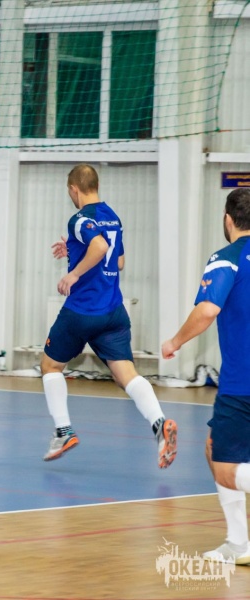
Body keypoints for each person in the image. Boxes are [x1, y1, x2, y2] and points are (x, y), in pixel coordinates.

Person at [41, 164, 177, 468]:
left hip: (81, 311)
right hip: (113, 312)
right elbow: (119, 260)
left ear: (74, 189)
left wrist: (74, 273)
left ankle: (63, 431)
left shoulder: (80, 218)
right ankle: (159, 424)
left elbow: (100, 247)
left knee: (50, 366)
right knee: (126, 374)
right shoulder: (112, 216)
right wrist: (74, 250)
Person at [162, 187, 250, 564]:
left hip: (242, 384)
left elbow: (208, 309)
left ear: (228, 220)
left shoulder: (226, 258)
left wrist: (175, 341)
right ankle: (239, 543)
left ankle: (239, 544)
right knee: (214, 447)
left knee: (225, 467)